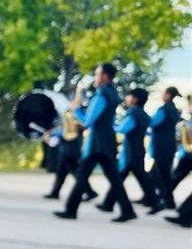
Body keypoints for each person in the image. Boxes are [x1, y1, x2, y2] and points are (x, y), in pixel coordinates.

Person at [54, 63, 137, 223]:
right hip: (108, 142)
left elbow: (88, 121)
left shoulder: (101, 95)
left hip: (97, 143)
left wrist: (76, 109)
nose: (95, 77)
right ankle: (127, 211)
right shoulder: (113, 93)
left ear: (105, 76)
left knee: (82, 175)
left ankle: (71, 210)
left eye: (97, 74)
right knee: (114, 179)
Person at [96, 88, 162, 214]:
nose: (127, 98)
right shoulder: (145, 116)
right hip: (138, 149)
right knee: (131, 177)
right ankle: (108, 203)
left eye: (129, 96)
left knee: (123, 177)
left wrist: (109, 125)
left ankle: (154, 202)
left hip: (130, 151)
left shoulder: (133, 114)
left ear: (135, 99)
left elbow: (124, 128)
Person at [43, 104, 99, 201]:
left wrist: (53, 134)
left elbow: (66, 131)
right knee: (61, 172)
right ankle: (55, 192)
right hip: (68, 150)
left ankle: (90, 192)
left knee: (77, 173)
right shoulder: (75, 116)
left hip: (70, 151)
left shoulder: (76, 116)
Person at [148, 86, 182, 209]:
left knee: (162, 175)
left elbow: (153, 123)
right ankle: (150, 197)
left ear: (168, 95)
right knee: (156, 173)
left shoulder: (164, 109)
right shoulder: (175, 110)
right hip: (170, 145)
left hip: (161, 145)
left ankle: (167, 200)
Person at [170, 94, 192, 193]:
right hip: (187, 152)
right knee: (176, 175)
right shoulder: (186, 123)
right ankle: (165, 197)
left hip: (188, 152)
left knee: (177, 174)